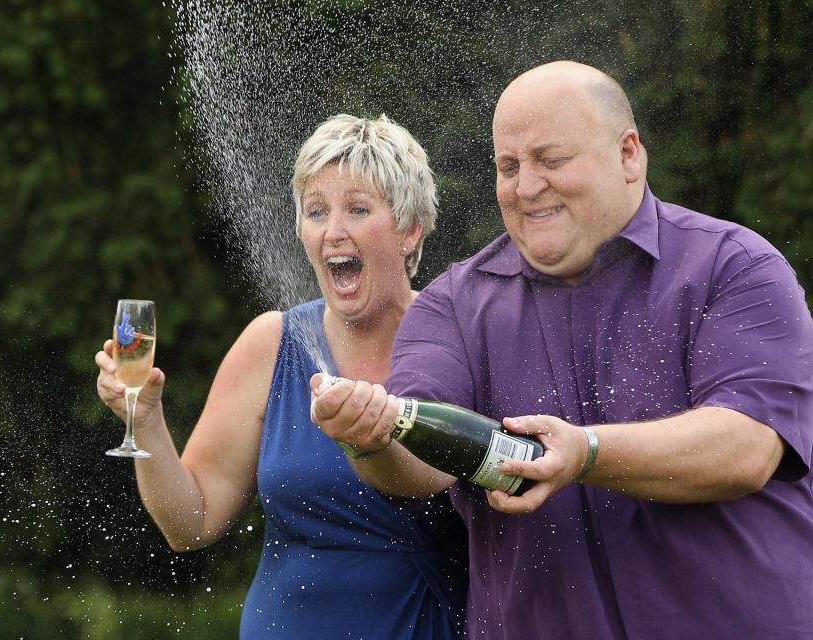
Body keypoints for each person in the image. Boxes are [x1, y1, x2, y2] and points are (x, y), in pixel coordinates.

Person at [311, 61, 813, 640]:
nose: (526, 187)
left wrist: (587, 451)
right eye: (508, 167)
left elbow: (747, 448)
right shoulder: (451, 306)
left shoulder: (735, 266)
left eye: (551, 161)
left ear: (628, 154)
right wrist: (369, 440)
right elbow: (419, 468)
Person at [95, 114, 467, 639]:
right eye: (317, 211)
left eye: (358, 209)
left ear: (409, 230)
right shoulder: (271, 344)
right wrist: (147, 420)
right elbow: (190, 523)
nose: (334, 231)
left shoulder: (461, 340)